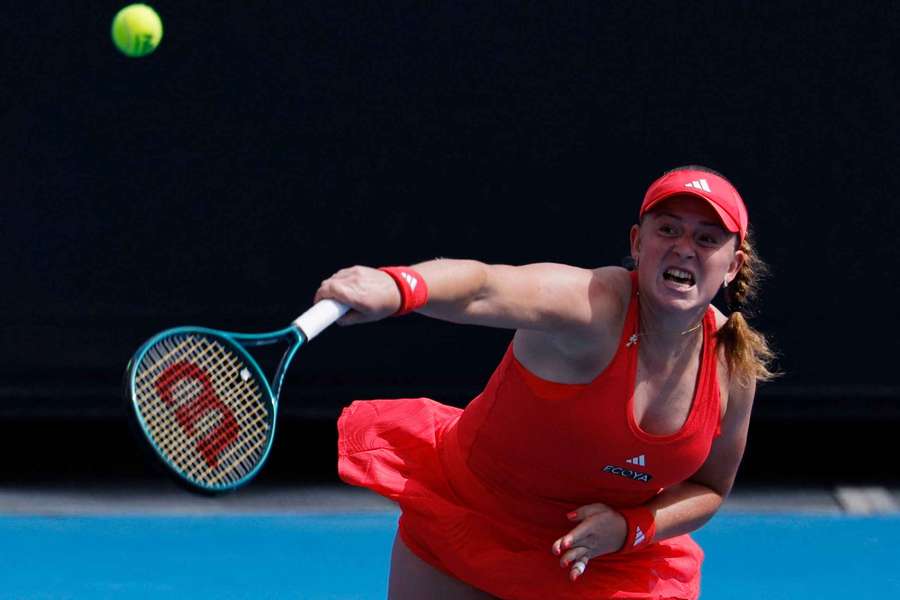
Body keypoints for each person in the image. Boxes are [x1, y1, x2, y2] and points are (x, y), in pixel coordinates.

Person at [315, 166, 776, 600]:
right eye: (668, 229)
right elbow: (486, 286)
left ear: (732, 265)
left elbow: (711, 488)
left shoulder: (733, 367)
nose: (683, 247)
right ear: (638, 243)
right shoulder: (591, 306)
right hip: (473, 520)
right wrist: (399, 287)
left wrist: (631, 527)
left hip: (604, 559)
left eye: (706, 238)